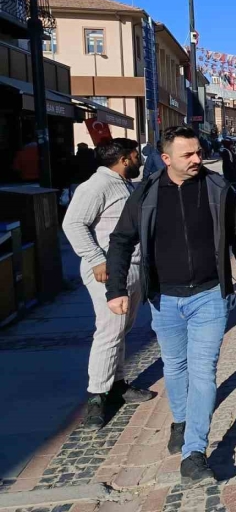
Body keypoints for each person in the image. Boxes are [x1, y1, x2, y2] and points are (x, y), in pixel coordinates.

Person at [106, 126, 236, 486]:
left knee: (203, 372)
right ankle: (180, 420)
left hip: (209, 295)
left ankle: (195, 452)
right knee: (175, 366)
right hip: (163, 298)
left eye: (198, 152)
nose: (197, 159)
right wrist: (116, 289)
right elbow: (121, 241)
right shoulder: (146, 193)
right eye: (188, 155)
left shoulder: (217, 188)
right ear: (166, 159)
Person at [62, 138, 156, 430]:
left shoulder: (124, 184)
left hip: (131, 267)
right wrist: (96, 259)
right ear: (125, 158)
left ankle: (117, 384)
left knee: (120, 330)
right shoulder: (97, 185)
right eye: (135, 155)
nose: (139, 159)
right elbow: (73, 224)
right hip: (108, 272)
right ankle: (95, 397)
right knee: (109, 331)